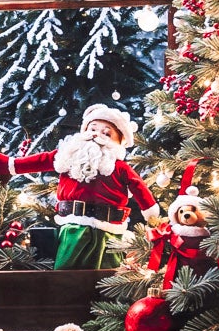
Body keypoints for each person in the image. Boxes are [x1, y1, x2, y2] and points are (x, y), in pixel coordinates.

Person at [12, 103, 158, 270]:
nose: (96, 135)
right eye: (93, 129)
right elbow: (40, 160)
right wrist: (9, 165)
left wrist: (152, 215)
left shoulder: (119, 168)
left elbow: (138, 187)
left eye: (106, 133)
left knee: (108, 274)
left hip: (109, 233)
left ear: (118, 143)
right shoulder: (68, 157)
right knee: (66, 272)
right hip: (72, 229)